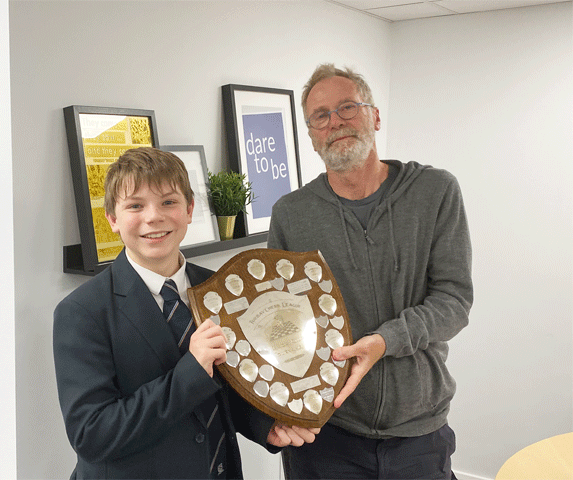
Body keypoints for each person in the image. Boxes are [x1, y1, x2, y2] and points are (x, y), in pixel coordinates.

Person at [54, 147, 318, 479]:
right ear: (113, 219)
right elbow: (91, 435)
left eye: (168, 202)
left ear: (190, 210)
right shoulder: (81, 312)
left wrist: (264, 424)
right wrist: (190, 371)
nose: (153, 217)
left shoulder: (217, 288)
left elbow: (225, 389)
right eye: (135, 205)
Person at [267, 64, 473, 479]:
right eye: (320, 116)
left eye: (348, 107)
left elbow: (454, 301)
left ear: (375, 116)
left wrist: (385, 340)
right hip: (327, 430)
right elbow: (279, 320)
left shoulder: (434, 191)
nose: (336, 122)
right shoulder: (291, 214)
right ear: (311, 136)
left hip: (417, 430)